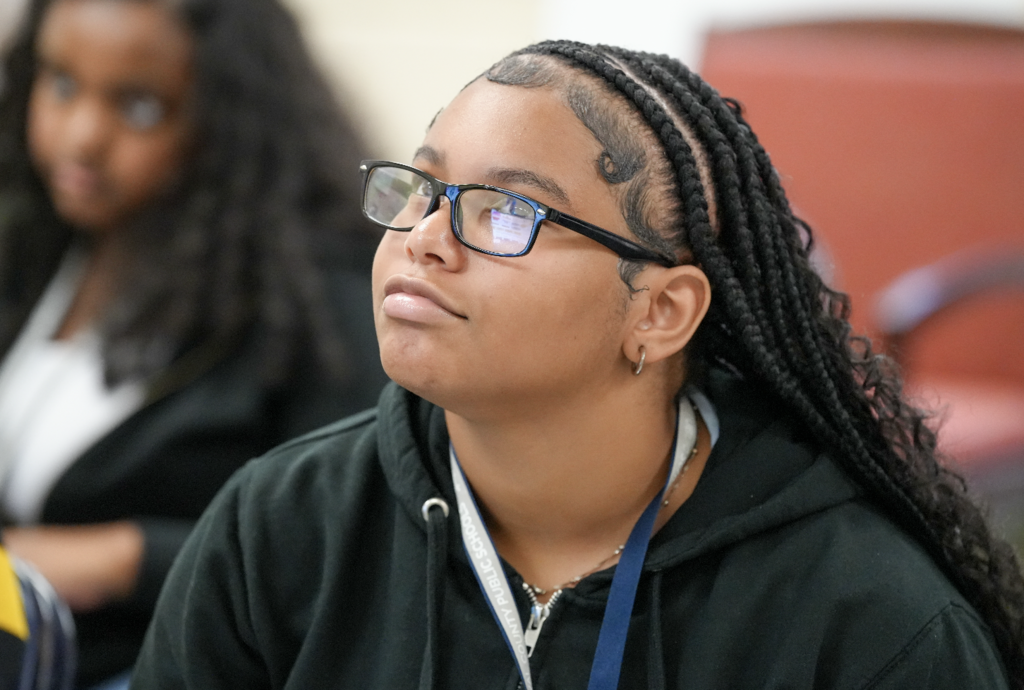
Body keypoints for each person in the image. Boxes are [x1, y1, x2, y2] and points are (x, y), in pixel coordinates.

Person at [132, 40, 1024, 690]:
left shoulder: (862, 620)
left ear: (660, 311)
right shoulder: (279, 530)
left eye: (506, 212)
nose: (426, 240)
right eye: (424, 188)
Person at [0, 0, 387, 685]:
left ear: (229, 121)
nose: (83, 134)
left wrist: (123, 558)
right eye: (61, 83)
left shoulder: (311, 301)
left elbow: (348, 543)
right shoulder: (35, 245)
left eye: (140, 107)